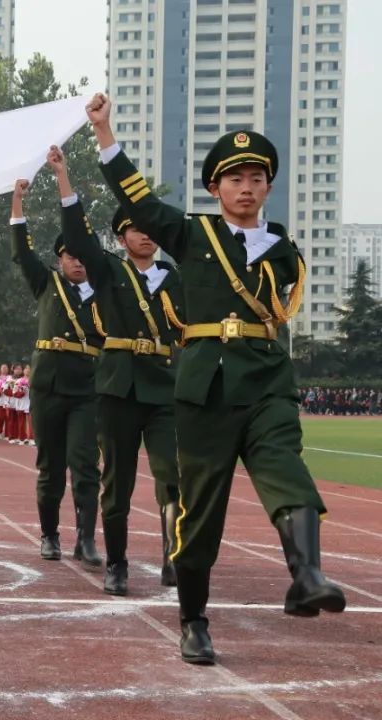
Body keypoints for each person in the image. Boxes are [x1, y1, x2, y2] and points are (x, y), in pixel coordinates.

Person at [87, 92, 345, 665]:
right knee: (200, 510)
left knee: (285, 468)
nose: (246, 187)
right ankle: (194, 620)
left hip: (267, 381)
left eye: (256, 177)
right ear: (215, 189)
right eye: (234, 178)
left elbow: (276, 307)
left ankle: (306, 574)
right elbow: (138, 198)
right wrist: (105, 133)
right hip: (205, 386)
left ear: (268, 187)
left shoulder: (284, 251)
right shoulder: (190, 234)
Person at [50, 144, 184, 596]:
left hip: (165, 389)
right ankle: (118, 563)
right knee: (117, 481)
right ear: (122, 238)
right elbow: (78, 234)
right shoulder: (108, 273)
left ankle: (174, 556)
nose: (146, 236)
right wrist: (63, 178)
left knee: (173, 477)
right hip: (118, 388)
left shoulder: (175, 278)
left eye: (151, 230)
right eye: (135, 229)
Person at [10, 176, 102, 570]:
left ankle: (86, 537)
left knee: (85, 466)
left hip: (86, 388)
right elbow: (21, 251)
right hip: (48, 387)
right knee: (50, 466)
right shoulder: (46, 283)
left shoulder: (105, 290)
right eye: (71, 257)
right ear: (61, 260)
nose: (78, 263)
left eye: (83, 257)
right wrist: (17, 202)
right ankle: (49, 533)